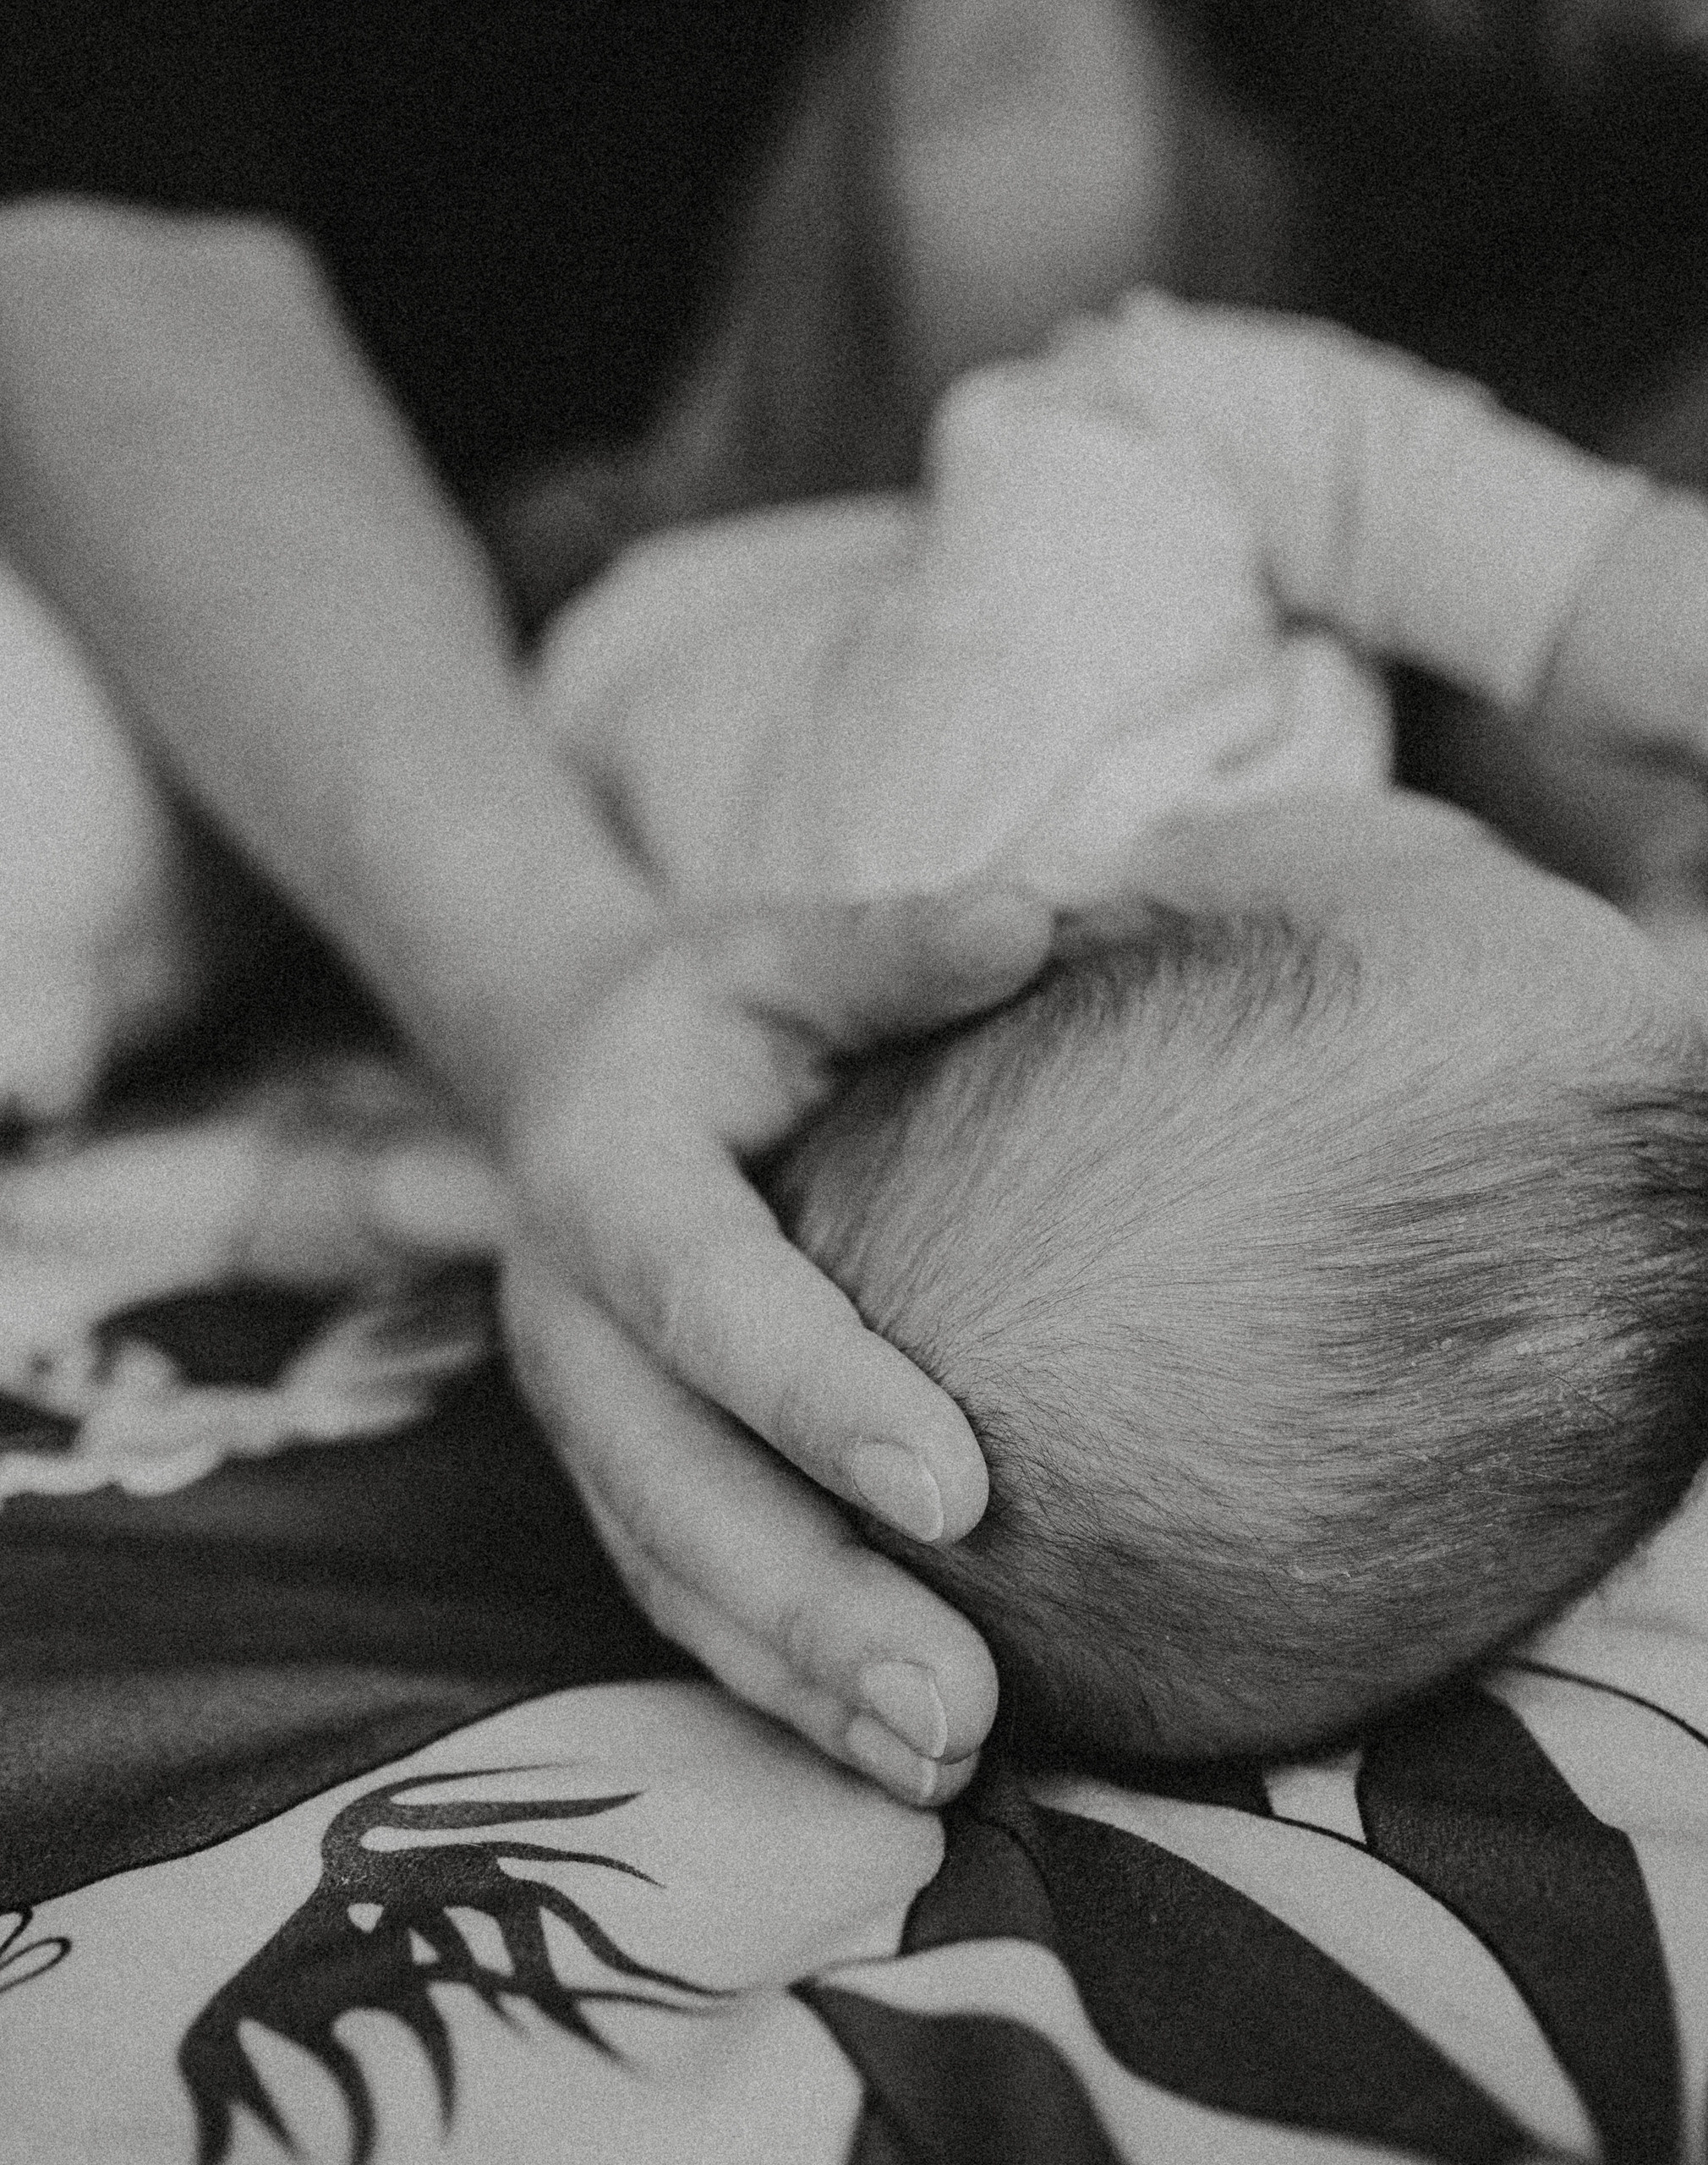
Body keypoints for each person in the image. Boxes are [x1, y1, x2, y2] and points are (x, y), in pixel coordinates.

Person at [5, 0, 1708, 1814]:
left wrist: (1575, 580)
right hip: (614, 598)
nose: (1502, 856)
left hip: (686, 554)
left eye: (1468, 874)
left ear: (1124, 909)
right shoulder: (803, 1167)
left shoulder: (1081, 699)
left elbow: (1139, 393)